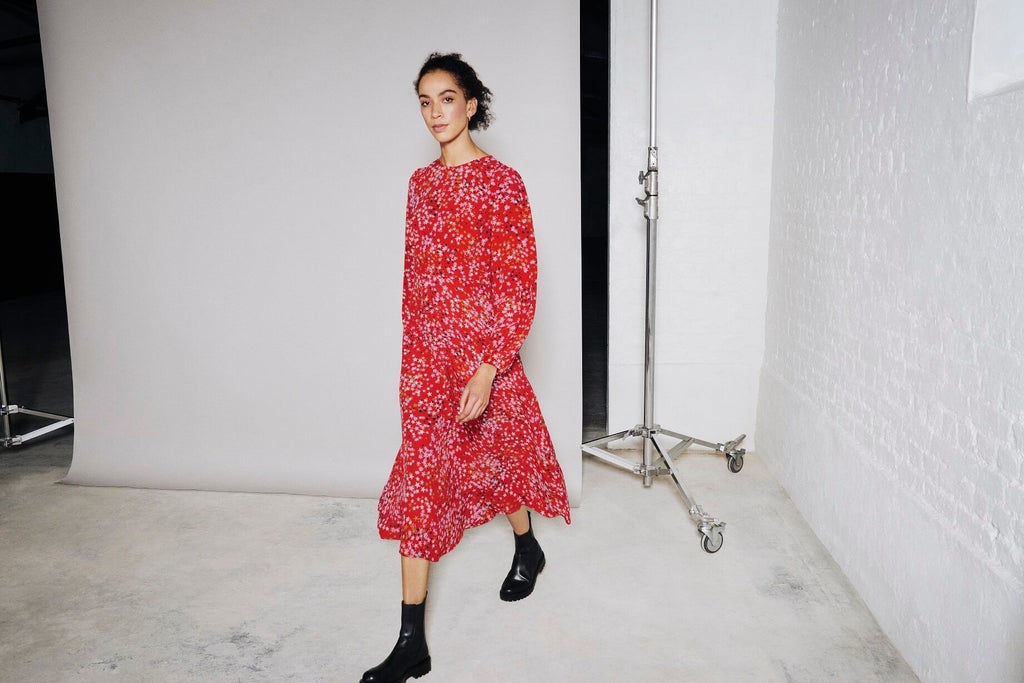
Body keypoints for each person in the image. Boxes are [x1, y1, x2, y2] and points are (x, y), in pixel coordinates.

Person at [360, 52, 571, 683]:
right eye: (425, 102)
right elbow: (415, 282)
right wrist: (414, 366)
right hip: (428, 361)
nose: (435, 113)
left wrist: (488, 365)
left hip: (484, 356)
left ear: (471, 104)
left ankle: (526, 545)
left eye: (446, 99)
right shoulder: (419, 185)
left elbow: (519, 281)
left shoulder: (503, 182)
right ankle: (411, 643)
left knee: (499, 456)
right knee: (424, 483)